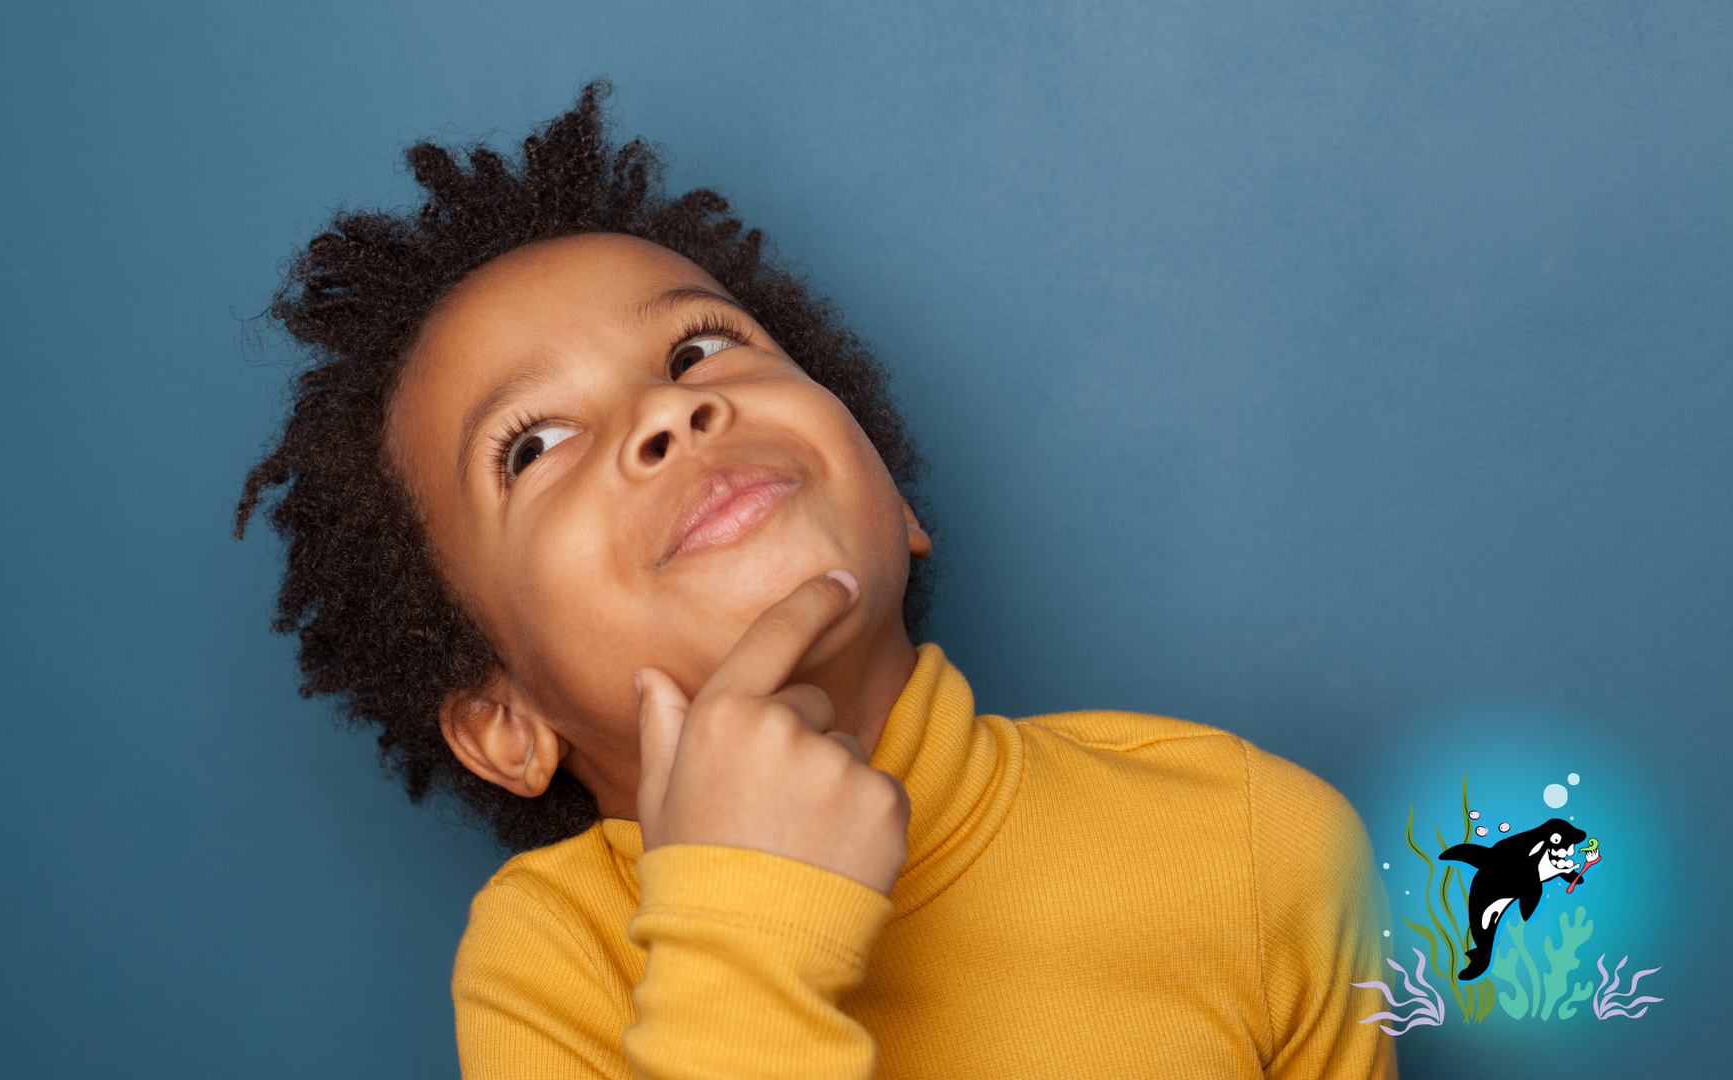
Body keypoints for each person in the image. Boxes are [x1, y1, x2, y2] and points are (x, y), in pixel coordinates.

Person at [237, 82, 1394, 1079]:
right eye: (532, 447)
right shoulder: (557, 961)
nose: (668, 410)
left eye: (698, 349)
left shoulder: (1254, 843)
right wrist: (749, 924)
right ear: (502, 721)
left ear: (892, 497)